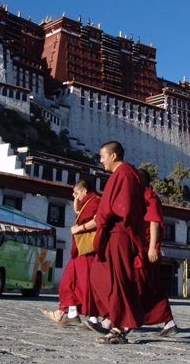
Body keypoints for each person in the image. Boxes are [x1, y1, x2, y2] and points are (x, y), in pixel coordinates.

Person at [87, 141, 147, 344]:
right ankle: (116, 319)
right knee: (103, 277)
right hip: (113, 233)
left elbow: (124, 207)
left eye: (102, 156)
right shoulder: (122, 175)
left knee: (118, 280)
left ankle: (119, 326)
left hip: (119, 233)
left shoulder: (125, 175)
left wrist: (101, 220)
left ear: (114, 156)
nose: (101, 161)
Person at [41, 179, 100, 328]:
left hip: (89, 251)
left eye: (77, 193)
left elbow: (99, 220)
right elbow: (78, 212)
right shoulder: (87, 202)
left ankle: (94, 319)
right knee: (68, 281)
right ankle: (72, 314)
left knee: (86, 284)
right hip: (79, 251)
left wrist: (79, 229)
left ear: (85, 191)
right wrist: (75, 198)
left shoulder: (96, 201)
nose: (76, 196)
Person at [136, 168, 180, 337]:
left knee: (144, 284)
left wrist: (153, 247)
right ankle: (168, 322)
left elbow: (154, 222)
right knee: (149, 285)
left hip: (147, 248)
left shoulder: (149, 196)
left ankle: (117, 321)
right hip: (138, 247)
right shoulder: (138, 197)